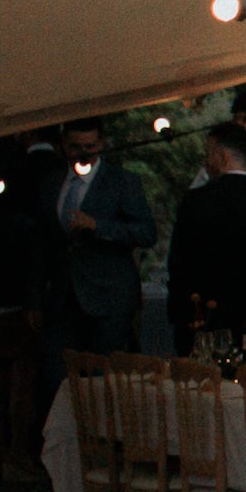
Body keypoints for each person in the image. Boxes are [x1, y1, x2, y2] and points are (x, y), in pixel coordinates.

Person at [49, 114, 158, 353]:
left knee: (101, 375)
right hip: (63, 298)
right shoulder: (53, 182)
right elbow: (41, 242)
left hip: (109, 296)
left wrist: (98, 226)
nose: (83, 153)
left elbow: (146, 233)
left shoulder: (122, 181)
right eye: (76, 147)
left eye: (90, 147)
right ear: (64, 146)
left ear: (101, 145)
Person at [167, 122, 246, 349]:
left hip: (203, 308)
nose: (206, 161)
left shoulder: (196, 200)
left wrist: (179, 309)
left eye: (209, 154)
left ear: (222, 156)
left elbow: (179, 260)